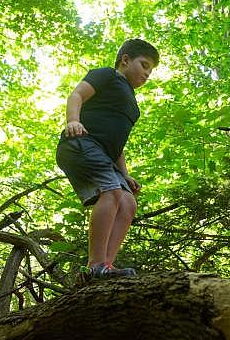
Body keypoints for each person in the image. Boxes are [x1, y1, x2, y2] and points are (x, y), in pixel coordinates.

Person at [56, 38, 159, 280]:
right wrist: (72, 120)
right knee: (111, 193)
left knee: (128, 203)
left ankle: (106, 267)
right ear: (125, 60)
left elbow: (117, 144)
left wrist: (125, 173)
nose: (147, 74)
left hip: (106, 154)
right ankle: (95, 265)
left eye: (151, 70)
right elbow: (77, 94)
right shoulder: (107, 76)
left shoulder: (133, 105)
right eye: (144, 65)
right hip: (82, 142)